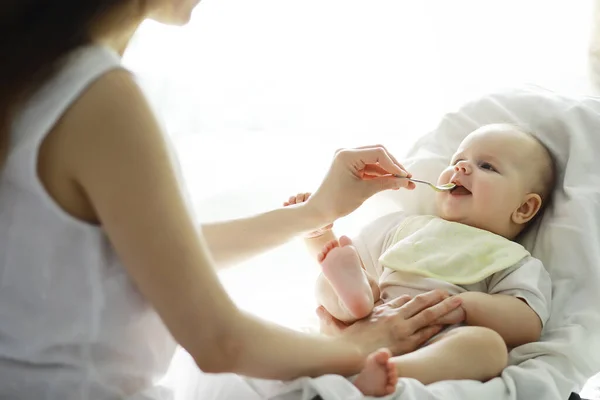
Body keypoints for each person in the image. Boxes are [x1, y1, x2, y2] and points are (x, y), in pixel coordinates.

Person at [0, 1, 466, 399]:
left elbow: (152, 252)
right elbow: (219, 340)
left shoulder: (35, 74)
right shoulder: (100, 98)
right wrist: (363, 344)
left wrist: (311, 214)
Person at [285, 123, 555, 396]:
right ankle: (353, 299)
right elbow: (349, 256)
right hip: (372, 313)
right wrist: (319, 235)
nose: (461, 168)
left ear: (523, 208)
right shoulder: (405, 227)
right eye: (458, 161)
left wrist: (466, 305)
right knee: (332, 280)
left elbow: (527, 323)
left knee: (489, 346)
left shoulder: (513, 259)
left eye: (487, 166)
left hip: (439, 338)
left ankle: (392, 370)